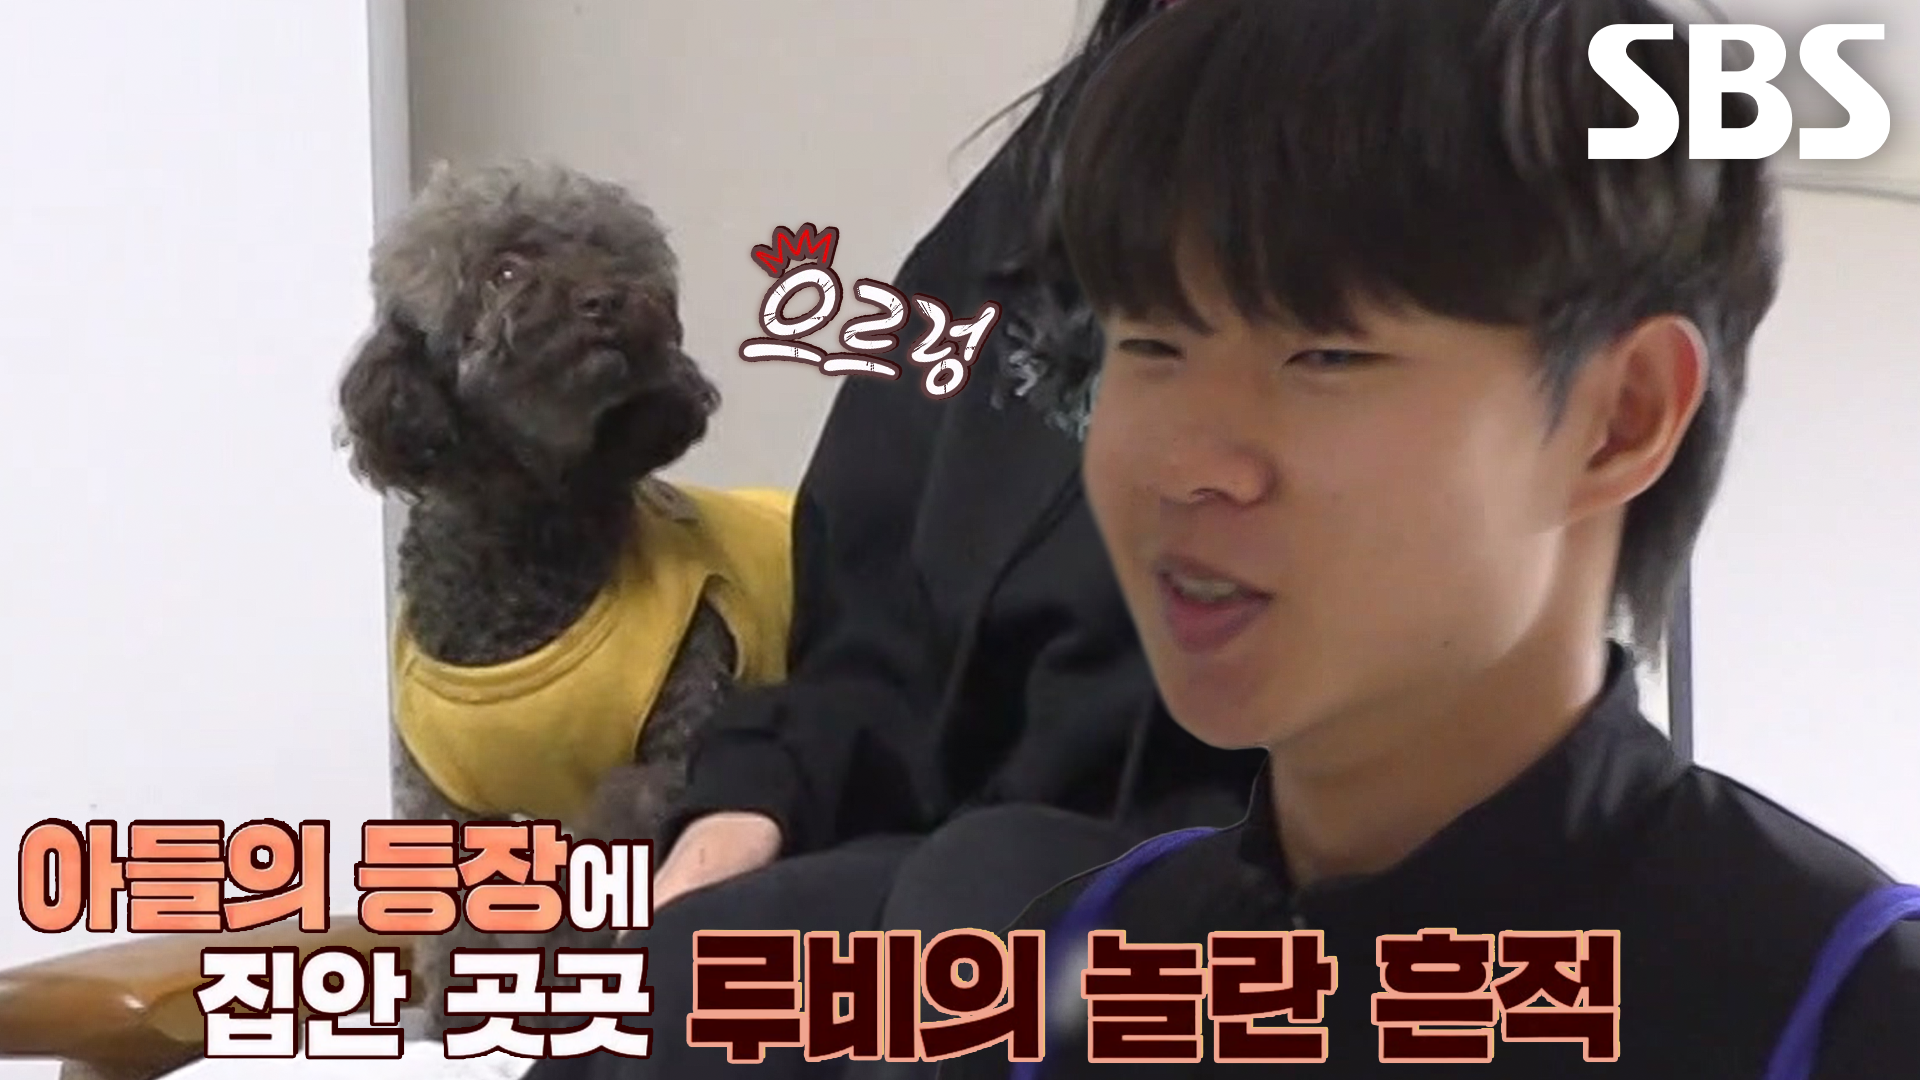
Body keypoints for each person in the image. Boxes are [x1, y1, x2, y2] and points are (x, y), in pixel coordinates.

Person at [931, 0, 1920, 1077]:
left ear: (1621, 419)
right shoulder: (1077, 969)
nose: (1186, 465)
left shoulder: (1844, 1011)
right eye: (1150, 344)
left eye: (1325, 357)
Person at [526, 1, 1264, 1077]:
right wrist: (759, 797)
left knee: (983, 913)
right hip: (964, 863)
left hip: (1272, 894)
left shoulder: (1451, 174)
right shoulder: (1037, 206)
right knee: (655, 1000)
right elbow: (876, 641)